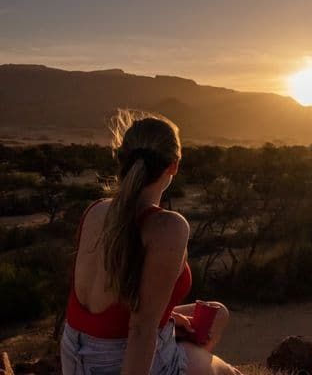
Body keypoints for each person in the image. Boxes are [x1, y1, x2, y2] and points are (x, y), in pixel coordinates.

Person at [60, 109, 242, 375]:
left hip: (72, 353)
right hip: (118, 358)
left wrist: (166, 317)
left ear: (121, 158)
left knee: (219, 313)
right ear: (174, 165)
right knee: (228, 373)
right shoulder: (168, 227)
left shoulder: (95, 210)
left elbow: (116, 305)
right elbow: (141, 329)